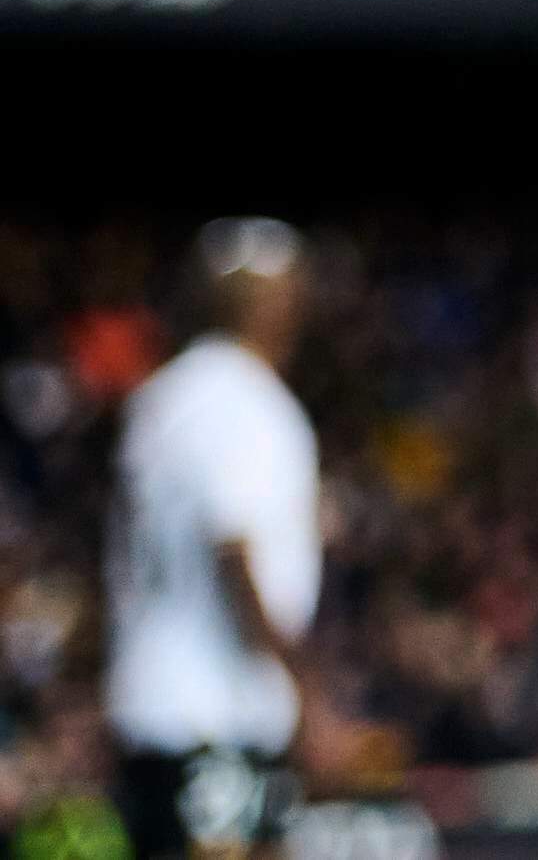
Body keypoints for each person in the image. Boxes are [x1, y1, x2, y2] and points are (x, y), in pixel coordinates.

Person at [106, 221, 321, 860]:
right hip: (217, 715)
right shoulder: (245, 401)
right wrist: (300, 680)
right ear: (275, 303)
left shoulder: (162, 397)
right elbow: (232, 549)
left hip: (156, 710)